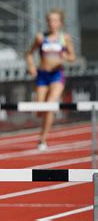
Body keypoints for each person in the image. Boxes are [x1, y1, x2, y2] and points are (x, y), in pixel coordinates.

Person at [26, 8, 75, 151]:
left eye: (55, 20)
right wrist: (31, 67)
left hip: (57, 76)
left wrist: (66, 57)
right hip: (42, 75)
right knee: (39, 110)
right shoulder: (40, 37)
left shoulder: (65, 38)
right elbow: (29, 54)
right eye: (50, 20)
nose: (52, 23)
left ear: (60, 23)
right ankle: (43, 132)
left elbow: (73, 57)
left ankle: (43, 138)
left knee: (50, 106)